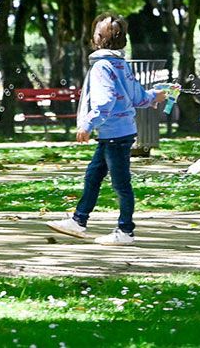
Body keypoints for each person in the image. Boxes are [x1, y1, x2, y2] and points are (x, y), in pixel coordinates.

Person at [47, 13, 166, 245]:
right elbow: (138, 97)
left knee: (121, 184)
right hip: (117, 133)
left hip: (115, 135)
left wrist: (88, 124)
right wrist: (155, 96)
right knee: (93, 176)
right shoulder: (121, 65)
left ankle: (126, 231)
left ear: (97, 39)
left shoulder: (102, 66)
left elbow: (104, 101)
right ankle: (79, 220)